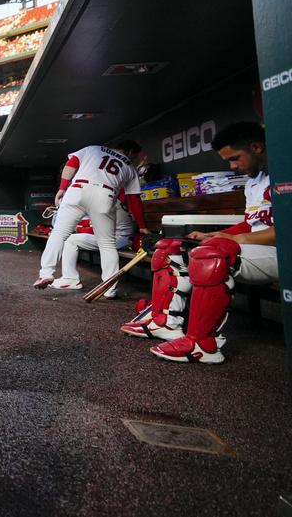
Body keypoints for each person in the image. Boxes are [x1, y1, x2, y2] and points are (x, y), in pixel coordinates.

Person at [123, 122, 277, 364]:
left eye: (235, 158)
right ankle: (165, 323)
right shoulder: (254, 182)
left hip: (281, 253)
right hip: (256, 251)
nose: (233, 166)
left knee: (213, 256)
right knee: (170, 249)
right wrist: (213, 236)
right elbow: (251, 223)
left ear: (256, 147)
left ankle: (203, 344)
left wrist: (232, 239)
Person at [34, 140, 149, 289]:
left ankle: (46, 273)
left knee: (59, 234)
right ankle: (109, 289)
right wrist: (142, 226)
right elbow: (134, 199)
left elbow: (72, 163)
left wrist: (62, 189)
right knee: (107, 244)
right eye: (134, 155)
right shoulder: (129, 167)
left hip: (77, 189)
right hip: (105, 194)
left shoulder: (93, 148)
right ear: (130, 153)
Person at [51, 196, 137, 297]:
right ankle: (71, 279)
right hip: (115, 235)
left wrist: (73, 229)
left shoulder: (100, 199)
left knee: (73, 240)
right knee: (71, 239)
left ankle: (107, 287)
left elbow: (96, 229)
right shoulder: (104, 195)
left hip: (121, 238)